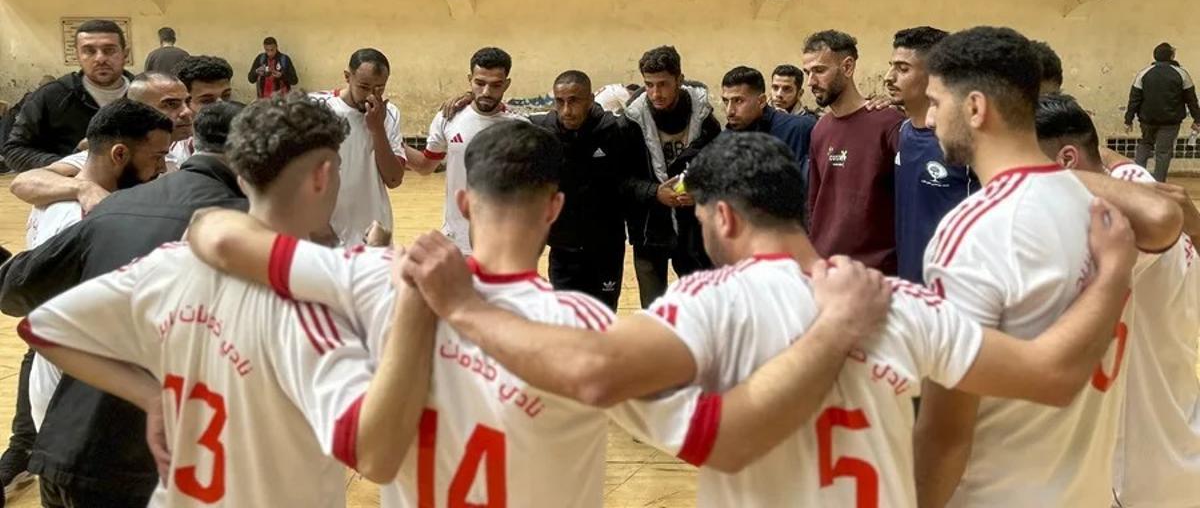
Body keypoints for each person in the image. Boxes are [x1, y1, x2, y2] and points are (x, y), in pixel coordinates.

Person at [402, 131, 1139, 507]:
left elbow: (592, 371)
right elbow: (1052, 374)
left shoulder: (708, 303)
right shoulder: (898, 302)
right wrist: (1111, 274)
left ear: (721, 217)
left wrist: (463, 304)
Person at [185, 121, 891, 506]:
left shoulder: (376, 277)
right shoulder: (587, 327)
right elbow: (716, 433)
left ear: (462, 202)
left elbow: (214, 235)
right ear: (555, 206)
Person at [16, 94, 434, 506]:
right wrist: (410, 313)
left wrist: (151, 397)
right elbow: (375, 458)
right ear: (323, 176)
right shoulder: (313, 303)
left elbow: (42, 328)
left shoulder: (172, 262)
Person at [915, 26, 1183, 508]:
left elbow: (946, 436)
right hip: (1089, 493)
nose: (929, 117)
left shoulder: (974, 231)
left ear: (975, 108)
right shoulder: (1103, 213)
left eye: (936, 102)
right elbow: (1165, 218)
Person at [0, 102, 247, 508]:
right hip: (144, 467)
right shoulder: (246, 226)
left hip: (68, 447)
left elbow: (14, 291)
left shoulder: (112, 205)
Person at [1035, 93, 1200, 508]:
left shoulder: (1117, 222)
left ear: (1066, 162)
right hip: (1175, 437)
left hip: (1139, 468)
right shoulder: (1141, 189)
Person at [530, 70, 645, 309]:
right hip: (563, 249)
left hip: (606, 248)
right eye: (560, 102)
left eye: (574, 101)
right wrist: (469, 97)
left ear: (591, 99)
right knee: (567, 322)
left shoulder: (615, 130)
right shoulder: (542, 130)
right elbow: (495, 115)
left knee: (603, 317)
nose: (566, 110)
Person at [8, 72, 194, 215]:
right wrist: (83, 188)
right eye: (171, 104)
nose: (186, 111)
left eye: (187, 102)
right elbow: (23, 182)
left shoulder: (186, 146)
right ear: (137, 108)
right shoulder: (108, 156)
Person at [623, 45, 721, 306]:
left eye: (663, 84)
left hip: (694, 231)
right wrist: (655, 193)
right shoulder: (630, 123)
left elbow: (719, 171)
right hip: (648, 229)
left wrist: (700, 191)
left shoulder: (706, 121)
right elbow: (621, 180)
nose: (656, 93)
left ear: (679, 79)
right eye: (649, 85)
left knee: (701, 306)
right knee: (654, 310)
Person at [404, 47, 527, 253]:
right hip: (456, 238)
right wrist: (387, 136)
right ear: (470, 79)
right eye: (479, 83)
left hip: (502, 240)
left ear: (507, 84)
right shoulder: (448, 117)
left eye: (496, 85)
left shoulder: (520, 126)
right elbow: (426, 166)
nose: (486, 92)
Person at [802, 30, 903, 273]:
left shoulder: (889, 123)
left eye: (819, 70)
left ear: (847, 67)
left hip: (876, 274)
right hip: (826, 270)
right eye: (807, 73)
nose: (810, 82)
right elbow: (815, 204)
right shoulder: (820, 129)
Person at [885, 27, 977, 284]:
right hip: (910, 284)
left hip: (956, 289)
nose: (889, 77)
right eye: (891, 66)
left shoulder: (964, 141)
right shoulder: (902, 131)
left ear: (935, 76)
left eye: (903, 69)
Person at [2, 20, 130, 173]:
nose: (100, 58)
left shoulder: (149, 96)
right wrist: (72, 163)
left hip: (142, 191)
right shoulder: (51, 96)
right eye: (89, 51)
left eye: (109, 50)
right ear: (77, 55)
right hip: (70, 190)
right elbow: (14, 151)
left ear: (125, 53)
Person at [311, 48, 406, 245]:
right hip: (327, 228)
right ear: (348, 77)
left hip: (374, 229)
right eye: (364, 87)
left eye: (380, 88)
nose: (371, 95)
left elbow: (394, 179)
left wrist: (377, 128)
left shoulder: (389, 114)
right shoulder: (319, 108)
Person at [720, 66, 816, 197]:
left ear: (761, 101)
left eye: (738, 101)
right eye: (726, 101)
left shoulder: (799, 129)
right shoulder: (724, 140)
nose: (730, 111)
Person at [1124, 41, 1200, 181]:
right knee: (1163, 152)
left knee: (1145, 145)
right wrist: (1197, 119)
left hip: (1147, 120)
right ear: (1171, 56)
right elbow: (1191, 99)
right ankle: (1159, 184)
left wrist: (1128, 120)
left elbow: (1134, 99)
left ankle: (1136, 180)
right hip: (1170, 122)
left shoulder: (1143, 73)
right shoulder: (1182, 74)